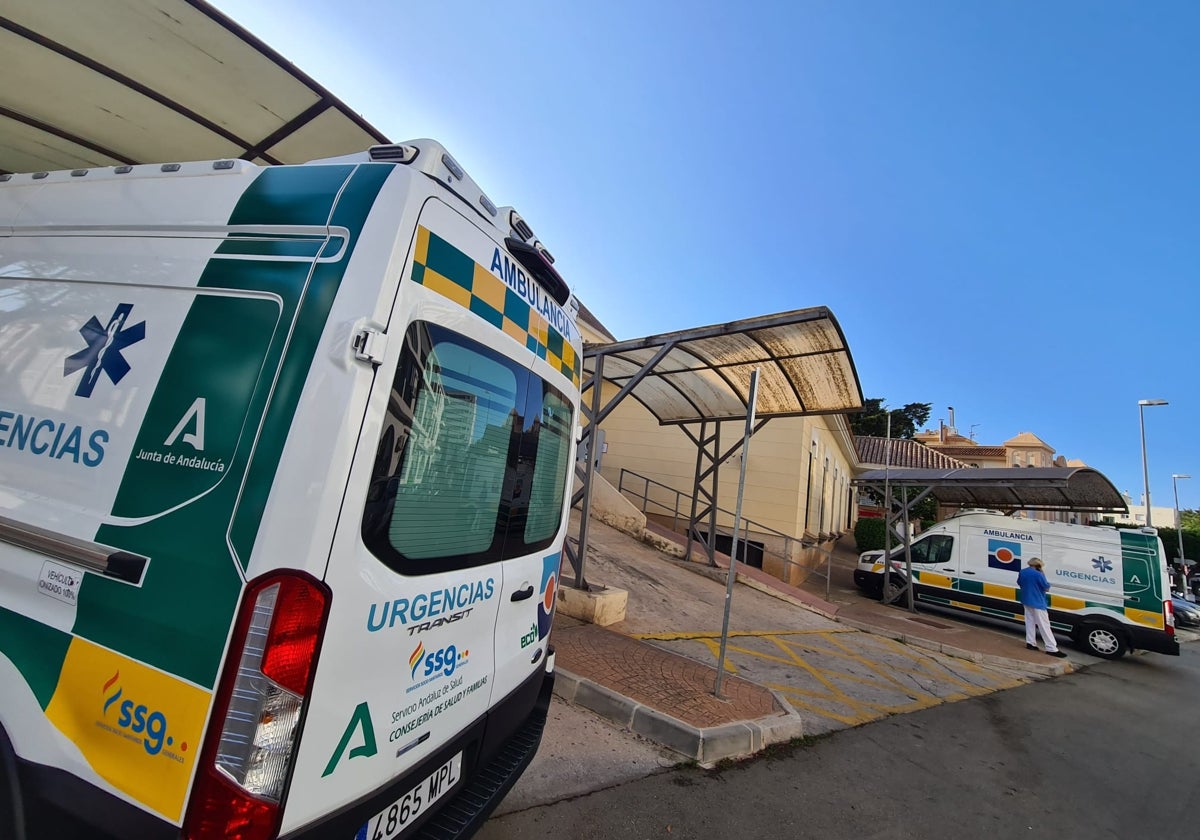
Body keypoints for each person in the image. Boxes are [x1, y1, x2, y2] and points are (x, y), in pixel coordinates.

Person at [1016, 557, 1067, 658]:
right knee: (1044, 625)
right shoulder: (1039, 574)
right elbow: (1046, 587)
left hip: (1026, 600)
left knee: (1029, 622)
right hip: (1038, 602)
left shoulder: (1023, 571)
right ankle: (1051, 648)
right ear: (1038, 565)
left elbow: (1020, 583)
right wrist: (1043, 575)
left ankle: (1030, 643)